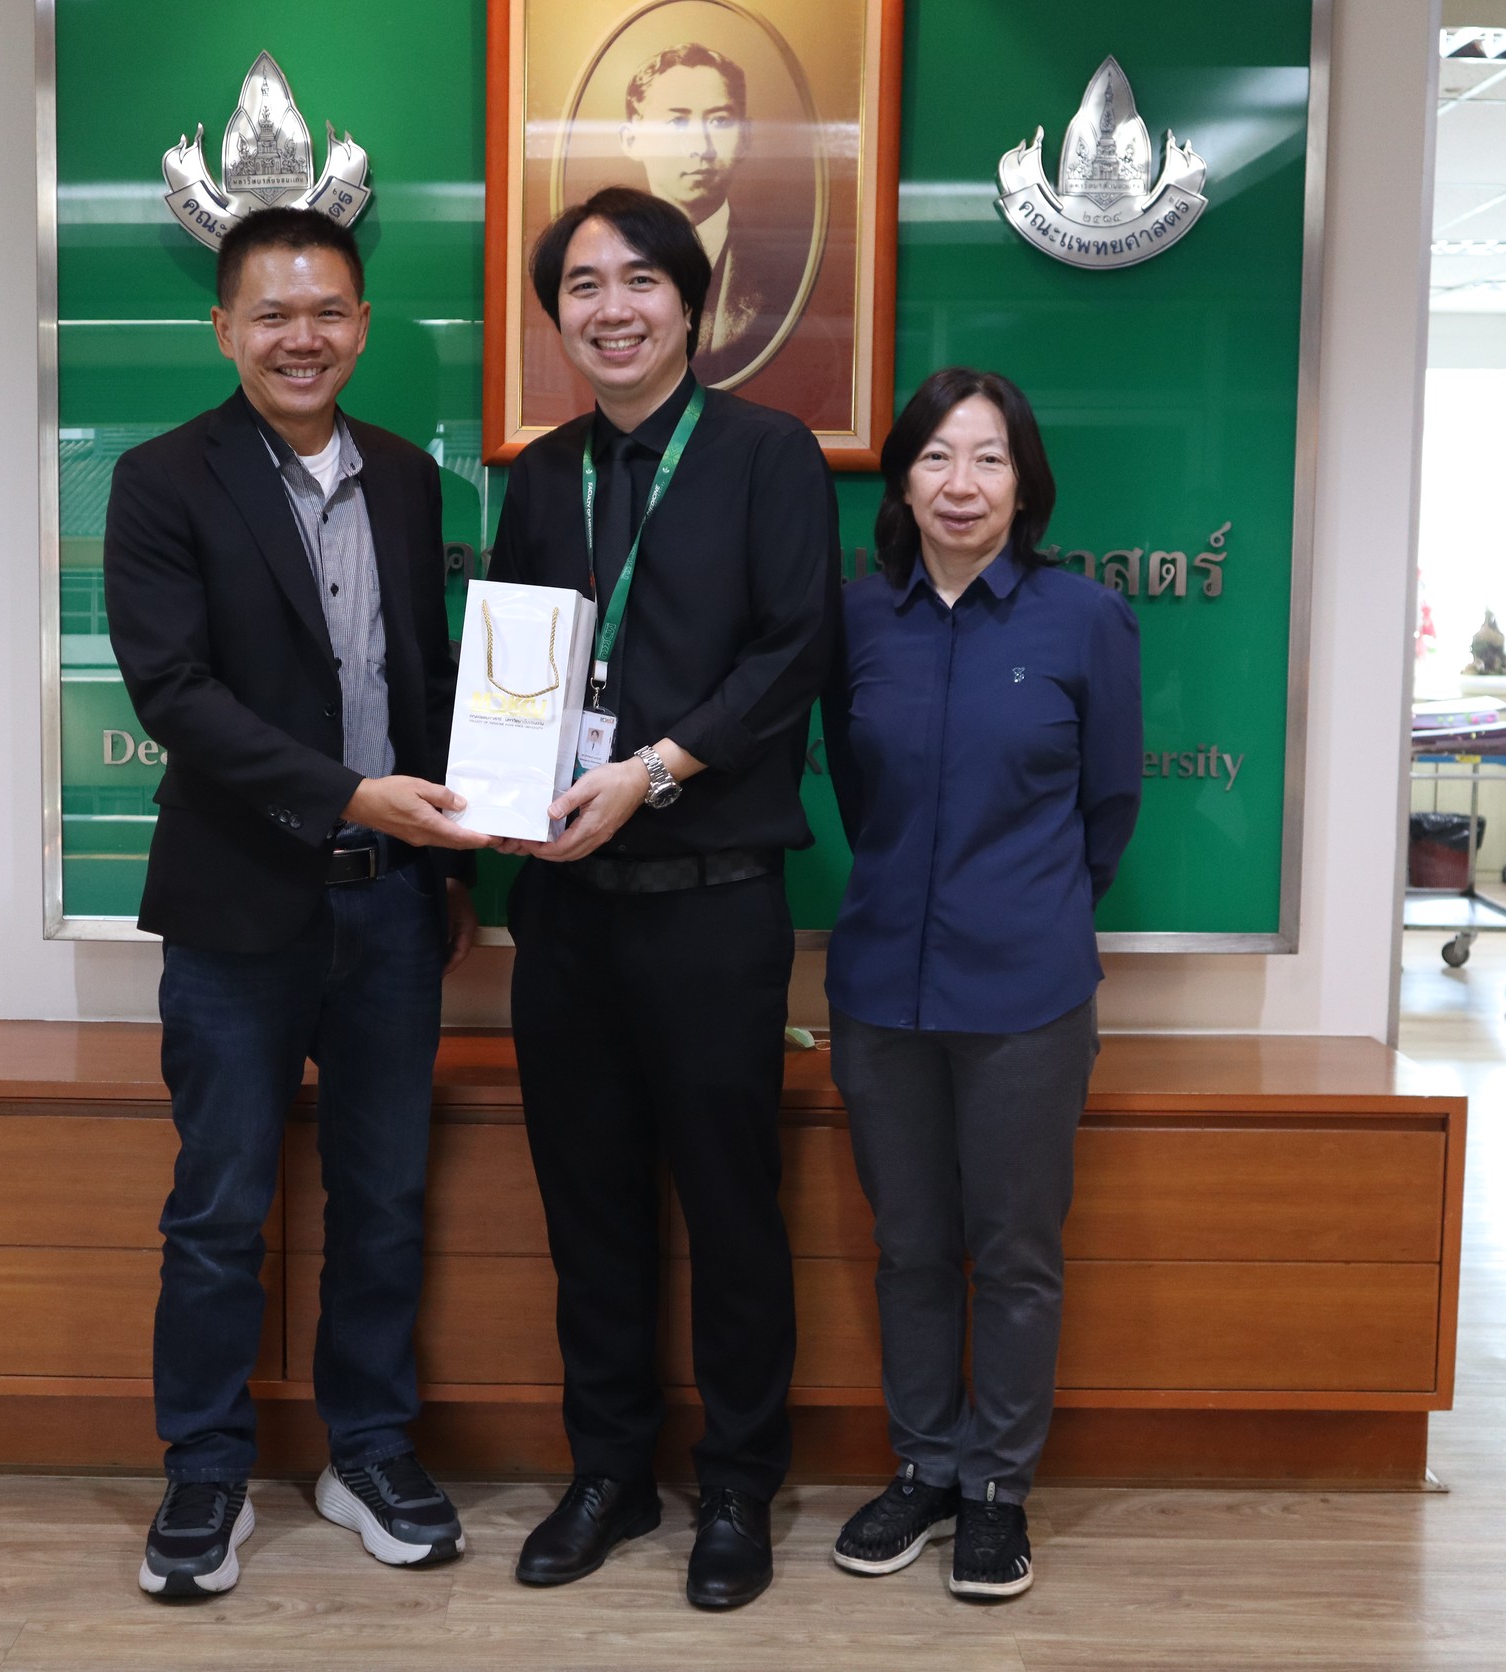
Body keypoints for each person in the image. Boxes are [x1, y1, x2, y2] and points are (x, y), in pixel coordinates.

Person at [103, 207, 491, 1600]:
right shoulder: (160, 480)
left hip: (391, 909)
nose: (301, 338)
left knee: (383, 1199)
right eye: (272, 315)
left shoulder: (408, 478)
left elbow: (424, 678)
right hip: (237, 908)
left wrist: (452, 865)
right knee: (218, 1208)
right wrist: (350, 795)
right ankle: (205, 1467)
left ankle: (366, 1449)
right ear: (225, 329)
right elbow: (176, 694)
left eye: (327, 311)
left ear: (363, 325)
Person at [489, 185, 839, 1610]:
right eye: (583, 287)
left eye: (640, 280)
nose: (612, 308)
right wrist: (507, 799)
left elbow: (795, 649)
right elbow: (514, 669)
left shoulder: (768, 456)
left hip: (712, 902)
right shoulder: (540, 475)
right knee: (589, 1209)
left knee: (731, 1211)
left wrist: (652, 770)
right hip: (567, 912)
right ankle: (611, 1471)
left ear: (691, 305)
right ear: (558, 318)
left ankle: (739, 1486)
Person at [819, 368, 1142, 1601]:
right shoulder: (859, 619)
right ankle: (925, 1465)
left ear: (1024, 482)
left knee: (1013, 1252)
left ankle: (998, 1486)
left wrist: (1026, 908)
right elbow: (857, 790)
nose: (962, 484)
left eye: (989, 458)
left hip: (1027, 997)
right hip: (880, 990)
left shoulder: (1084, 620)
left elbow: (1108, 806)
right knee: (909, 1246)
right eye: (938, 457)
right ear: (903, 480)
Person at [617, 42, 805, 388]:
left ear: (745, 138)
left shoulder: (783, 277)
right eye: (677, 123)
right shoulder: (602, 272)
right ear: (632, 139)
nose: (700, 147)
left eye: (719, 122)